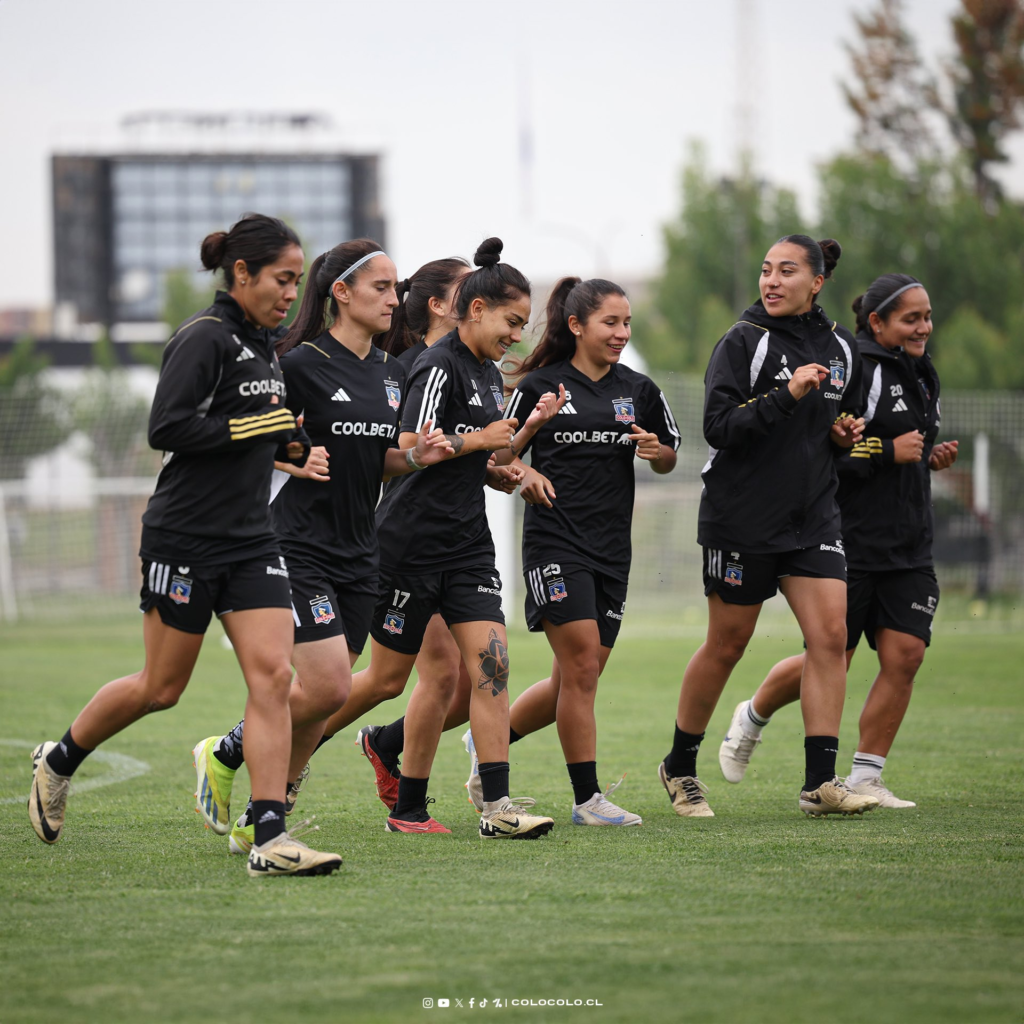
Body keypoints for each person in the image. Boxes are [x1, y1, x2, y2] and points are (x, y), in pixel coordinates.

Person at [28, 214, 342, 876]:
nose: (292, 293)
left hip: (252, 540)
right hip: (185, 537)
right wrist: (263, 423)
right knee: (161, 688)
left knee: (274, 677)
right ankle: (59, 761)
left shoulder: (264, 348)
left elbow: (253, 432)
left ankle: (269, 837)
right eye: (282, 279)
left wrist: (287, 446)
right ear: (242, 274)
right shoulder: (203, 337)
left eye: (296, 281)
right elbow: (168, 428)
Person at [190, 241, 455, 855]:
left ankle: (265, 815)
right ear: (341, 292)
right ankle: (229, 754)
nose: (396, 299)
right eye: (383, 288)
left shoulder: (391, 373)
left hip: (360, 552)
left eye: (397, 289)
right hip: (295, 543)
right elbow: (246, 431)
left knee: (326, 696)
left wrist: (416, 456)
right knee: (333, 685)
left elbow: (378, 461)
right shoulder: (299, 363)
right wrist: (287, 454)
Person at [658, 234, 881, 819]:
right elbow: (717, 427)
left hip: (814, 517)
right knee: (728, 644)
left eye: (787, 271)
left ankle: (819, 784)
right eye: (765, 271)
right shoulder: (744, 341)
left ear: (818, 282)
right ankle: (680, 766)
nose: (772, 281)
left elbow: (825, 429)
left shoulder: (841, 348)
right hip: (741, 518)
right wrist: (786, 394)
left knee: (831, 637)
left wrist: (838, 438)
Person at [718, 274, 957, 808]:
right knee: (832, 656)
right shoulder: (856, 367)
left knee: (907, 655)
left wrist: (929, 458)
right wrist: (886, 451)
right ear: (878, 322)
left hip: (911, 543)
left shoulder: (923, 375)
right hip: (849, 536)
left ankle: (867, 776)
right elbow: (830, 447)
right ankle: (752, 713)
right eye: (911, 318)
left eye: (927, 316)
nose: (924, 327)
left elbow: (913, 446)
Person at [360, 236, 564, 837]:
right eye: (511, 321)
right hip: (409, 546)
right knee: (386, 680)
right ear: (476, 309)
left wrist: (521, 438)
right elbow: (407, 445)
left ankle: (495, 809)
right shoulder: (436, 364)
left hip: (467, 545)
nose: (517, 336)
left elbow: (484, 457)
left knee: (492, 668)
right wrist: (480, 443)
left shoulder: (485, 371)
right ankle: (288, 755)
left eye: (523, 325)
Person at [460, 276, 680, 826]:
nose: (622, 333)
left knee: (575, 677)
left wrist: (657, 452)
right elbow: (498, 453)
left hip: (613, 550)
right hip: (555, 544)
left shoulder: (639, 390)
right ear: (578, 326)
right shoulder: (541, 386)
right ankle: (588, 800)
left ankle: (488, 738)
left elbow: (669, 455)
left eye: (627, 323)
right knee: (580, 667)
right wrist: (525, 466)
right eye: (611, 322)